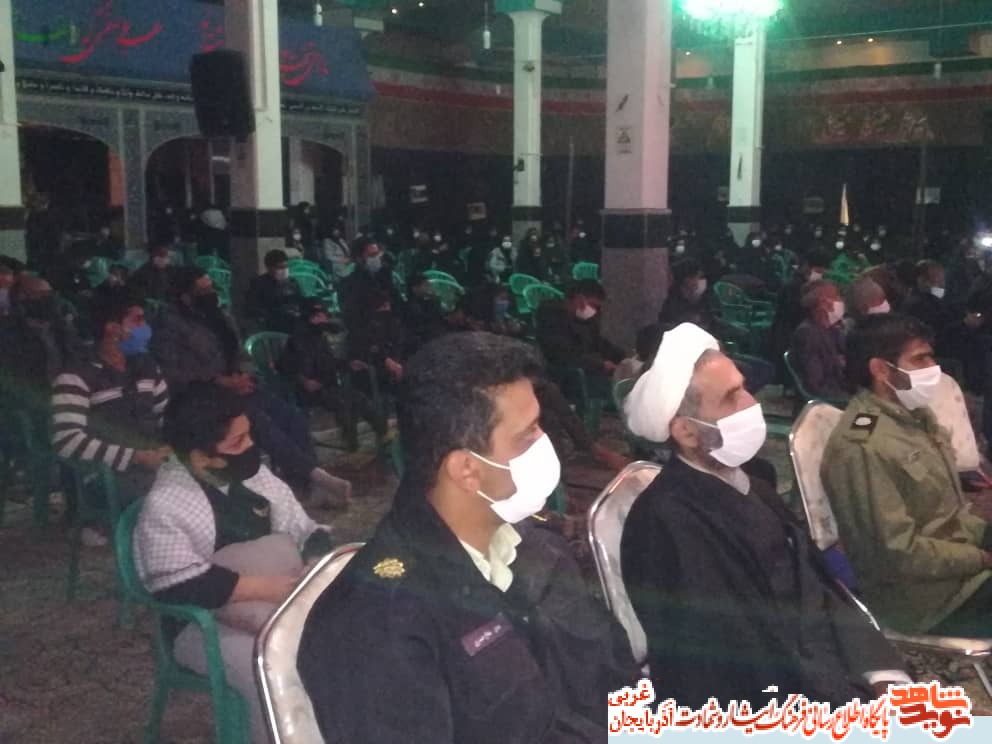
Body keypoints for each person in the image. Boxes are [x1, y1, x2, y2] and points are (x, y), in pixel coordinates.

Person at [298, 332, 637, 742]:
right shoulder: (376, 623)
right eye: (528, 433)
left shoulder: (534, 547)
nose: (545, 444)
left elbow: (612, 684)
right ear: (467, 470)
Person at [620, 322, 908, 708]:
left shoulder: (756, 487)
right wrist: (852, 704)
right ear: (686, 432)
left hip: (827, 674)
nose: (751, 405)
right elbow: (730, 663)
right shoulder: (666, 522)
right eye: (731, 398)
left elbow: (817, 588)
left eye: (744, 388)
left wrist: (880, 671)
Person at [134, 383, 333, 743]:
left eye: (249, 434)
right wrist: (267, 589)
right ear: (201, 457)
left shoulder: (255, 477)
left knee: (347, 640)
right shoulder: (168, 503)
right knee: (270, 668)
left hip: (281, 603)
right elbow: (177, 584)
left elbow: (306, 530)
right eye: (238, 442)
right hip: (203, 624)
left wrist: (314, 562)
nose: (252, 446)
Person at [822, 314, 992, 636]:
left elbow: (947, 514)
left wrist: (980, 538)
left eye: (931, 356)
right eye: (920, 359)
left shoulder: (913, 417)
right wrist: (981, 558)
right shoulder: (861, 446)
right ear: (880, 370)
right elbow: (896, 554)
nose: (933, 367)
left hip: (953, 554)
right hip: (927, 598)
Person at [151, 267, 350, 506]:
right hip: (201, 396)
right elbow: (173, 370)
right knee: (258, 421)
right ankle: (314, 476)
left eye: (211, 287)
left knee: (292, 417)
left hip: (236, 385)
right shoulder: (170, 323)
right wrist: (218, 380)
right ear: (185, 296)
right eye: (203, 290)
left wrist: (245, 376)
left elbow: (240, 352)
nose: (211, 292)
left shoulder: (218, 314)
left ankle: (307, 484)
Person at [51, 290, 171, 545]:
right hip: (104, 475)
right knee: (175, 495)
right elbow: (67, 441)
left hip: (152, 463)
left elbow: (166, 415)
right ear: (111, 327)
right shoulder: (76, 374)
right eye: (137, 320)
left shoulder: (146, 366)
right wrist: (135, 457)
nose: (145, 327)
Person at [278, 299, 386, 452]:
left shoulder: (320, 337)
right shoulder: (297, 340)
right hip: (307, 392)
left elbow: (328, 362)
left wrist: (348, 364)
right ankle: (352, 445)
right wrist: (304, 381)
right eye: (320, 316)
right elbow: (285, 367)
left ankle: (382, 433)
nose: (324, 320)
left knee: (358, 398)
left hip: (326, 386)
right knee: (344, 403)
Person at [535, 279, 624, 400]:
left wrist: (621, 356)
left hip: (589, 369)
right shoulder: (551, 318)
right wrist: (600, 365)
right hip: (569, 376)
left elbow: (599, 343)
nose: (595, 311)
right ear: (580, 299)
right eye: (594, 306)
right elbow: (564, 355)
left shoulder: (583, 319)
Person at [790, 280, 847, 399]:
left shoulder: (832, 328)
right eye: (835, 296)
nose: (840, 300)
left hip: (840, 385)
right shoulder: (807, 334)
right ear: (822, 304)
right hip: (829, 395)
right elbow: (815, 384)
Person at [244, 249, 303, 333]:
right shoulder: (259, 284)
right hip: (272, 324)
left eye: (286, 266)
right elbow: (252, 308)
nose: (284, 270)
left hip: (293, 320)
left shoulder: (292, 283)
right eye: (280, 267)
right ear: (269, 268)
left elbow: (300, 301)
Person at [658, 259, 713, 332]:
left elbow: (709, 321)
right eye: (697, 277)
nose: (699, 281)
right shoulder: (673, 303)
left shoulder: (702, 300)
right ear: (687, 279)